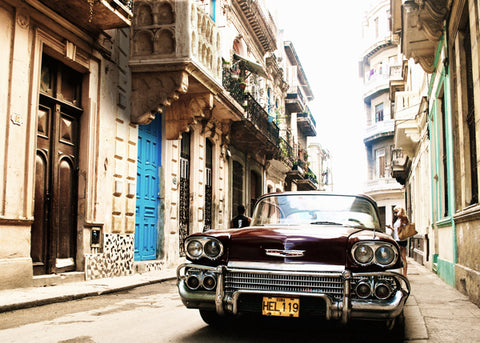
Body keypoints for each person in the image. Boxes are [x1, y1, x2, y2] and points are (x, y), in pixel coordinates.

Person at [388, 207, 409, 276]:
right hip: (397, 239)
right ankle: (401, 273)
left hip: (401, 240)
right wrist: (390, 228)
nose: (395, 214)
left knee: (401, 257)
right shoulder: (398, 219)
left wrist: (400, 209)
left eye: (396, 212)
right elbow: (397, 231)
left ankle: (404, 274)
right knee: (400, 257)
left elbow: (399, 215)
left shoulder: (404, 218)